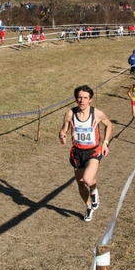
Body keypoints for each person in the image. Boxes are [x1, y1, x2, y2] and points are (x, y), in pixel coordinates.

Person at [58, 85, 112, 222]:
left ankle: (94, 191)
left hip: (93, 151)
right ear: (76, 98)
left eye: (85, 98)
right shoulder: (70, 114)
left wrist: (105, 143)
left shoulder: (97, 113)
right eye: (79, 97)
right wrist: (62, 135)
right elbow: (63, 129)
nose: (82, 100)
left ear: (90, 100)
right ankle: (88, 206)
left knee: (88, 179)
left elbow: (109, 125)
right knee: (80, 183)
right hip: (77, 152)